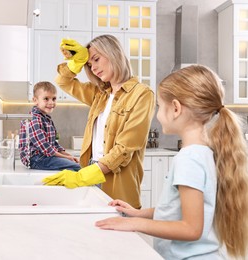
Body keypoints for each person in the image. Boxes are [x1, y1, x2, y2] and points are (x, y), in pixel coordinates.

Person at [95, 65, 248, 259]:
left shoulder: (189, 159)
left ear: (176, 108)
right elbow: (177, 210)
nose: (157, 115)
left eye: (159, 107)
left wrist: (133, 224)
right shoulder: (203, 153)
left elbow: (192, 228)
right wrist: (137, 213)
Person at [43, 35, 155, 209]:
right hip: (91, 170)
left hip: (115, 180)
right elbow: (63, 82)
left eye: (96, 59)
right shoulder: (100, 94)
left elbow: (126, 148)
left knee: (116, 231)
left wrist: (83, 176)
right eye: (89, 64)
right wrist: (76, 63)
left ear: (114, 53)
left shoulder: (142, 94)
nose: (93, 68)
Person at [18, 81, 80, 171]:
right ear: (35, 101)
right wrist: (65, 158)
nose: (51, 103)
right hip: (36, 159)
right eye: (46, 99)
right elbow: (45, 146)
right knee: (76, 167)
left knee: (75, 165)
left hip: (45, 157)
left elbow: (54, 143)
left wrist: (68, 155)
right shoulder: (33, 118)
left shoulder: (46, 118)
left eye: (54, 99)